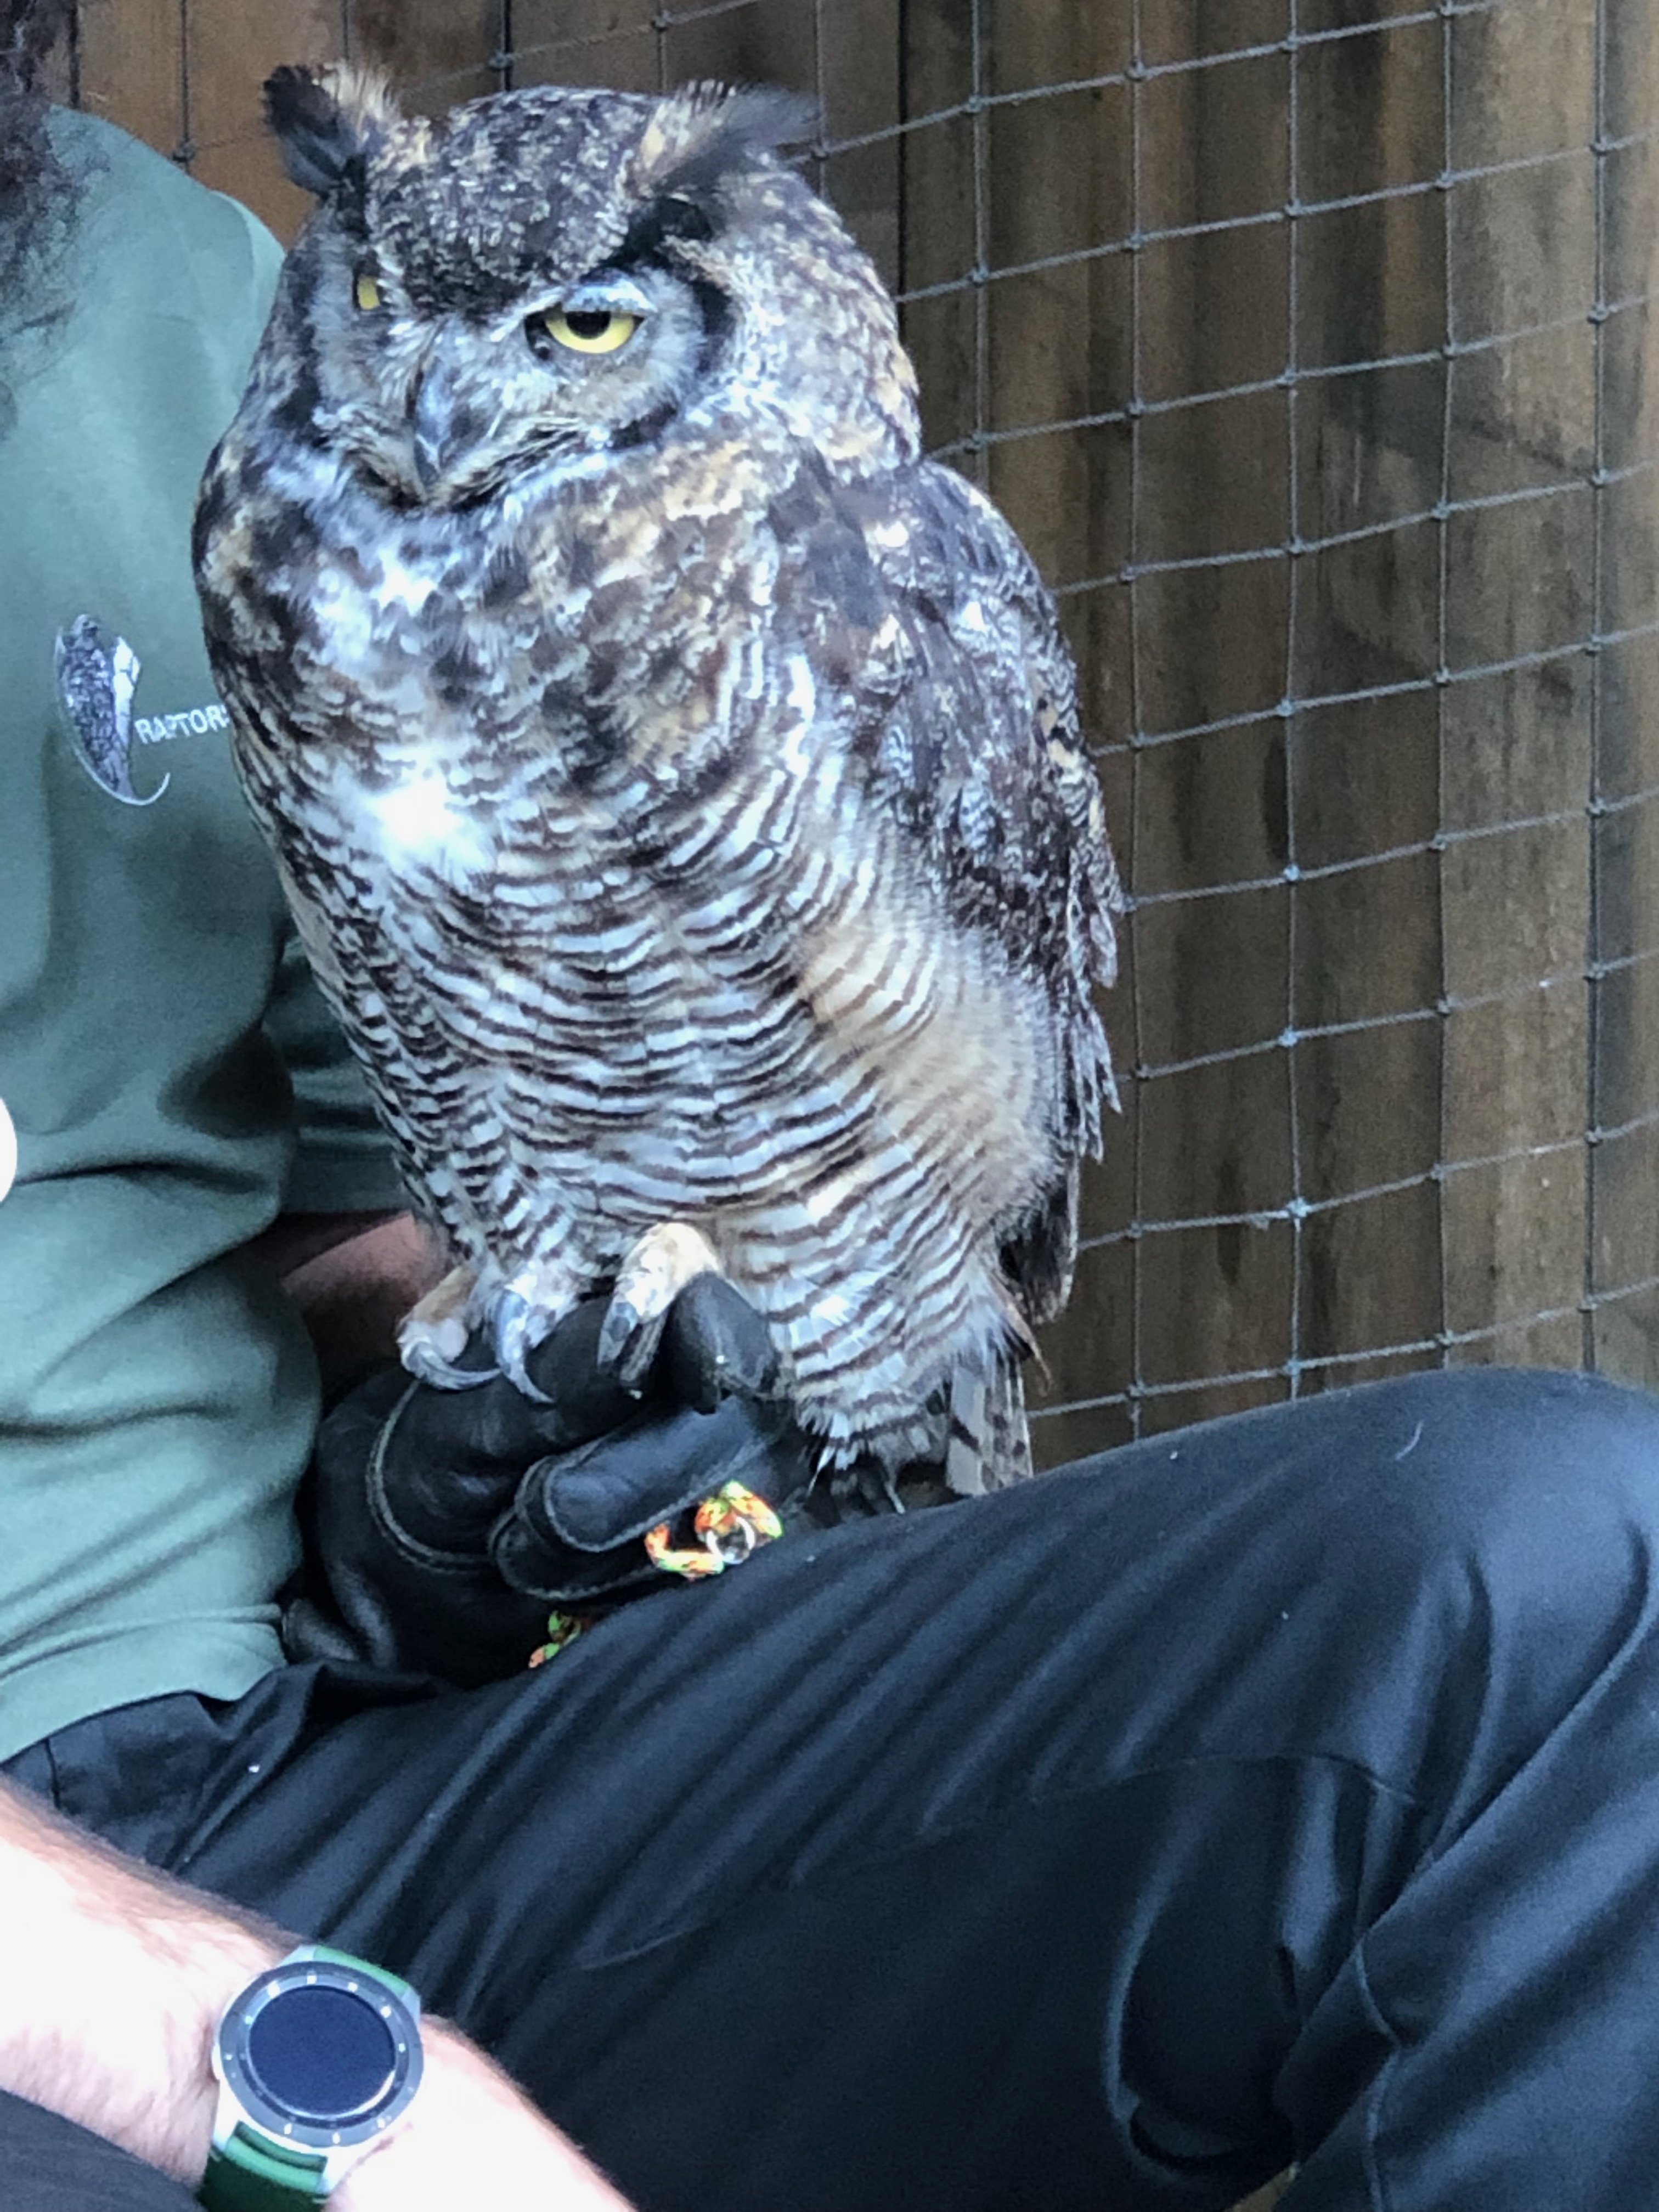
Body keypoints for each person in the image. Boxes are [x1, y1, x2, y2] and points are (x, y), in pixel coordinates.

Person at [8, 10, 1659, 2210]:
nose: (442, 396)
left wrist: (468, 1456)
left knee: (1569, 1588)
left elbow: (328, 1193)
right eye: (405, 322)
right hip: (79, 1952)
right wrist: (274, 2071)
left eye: (574, 326)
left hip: (270, 1762)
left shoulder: (156, 296)